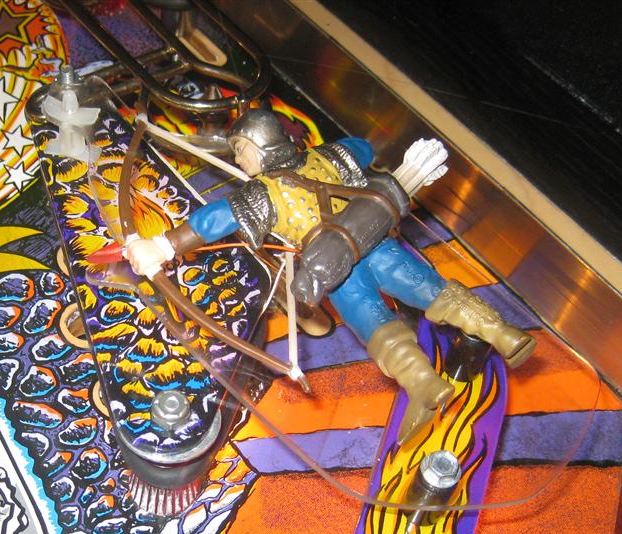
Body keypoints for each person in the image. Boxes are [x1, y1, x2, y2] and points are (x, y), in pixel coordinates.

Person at [125, 109, 534, 437]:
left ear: (260, 146)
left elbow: (214, 219)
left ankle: (424, 384)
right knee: (433, 292)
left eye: (241, 150)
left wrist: (161, 246)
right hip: (373, 238)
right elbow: (363, 147)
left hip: (334, 269)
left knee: (377, 326)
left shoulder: (261, 194)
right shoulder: (332, 156)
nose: (238, 160)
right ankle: (502, 334)